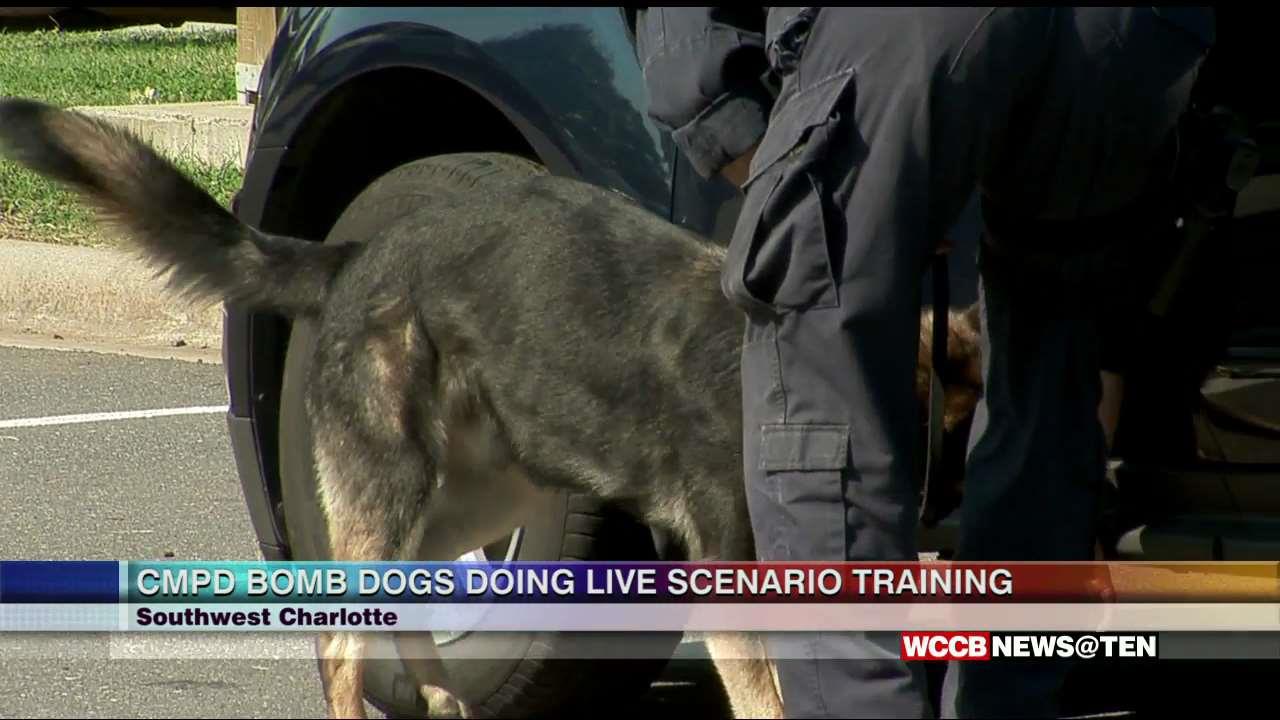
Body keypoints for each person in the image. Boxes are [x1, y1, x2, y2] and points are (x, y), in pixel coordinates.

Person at [635, 7, 1214, 718]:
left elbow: (690, 54)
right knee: (1055, 368)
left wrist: (765, 144)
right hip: (1135, 30)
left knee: (823, 372)